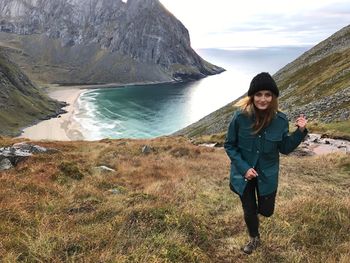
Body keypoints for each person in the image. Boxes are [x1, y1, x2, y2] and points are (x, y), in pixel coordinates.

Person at [224, 72, 308, 254]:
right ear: (252, 96)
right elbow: (230, 145)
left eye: (267, 94)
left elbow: (285, 148)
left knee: (267, 211)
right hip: (243, 175)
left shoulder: (281, 120)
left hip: (267, 175)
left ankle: (257, 215)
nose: (263, 99)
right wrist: (245, 168)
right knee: (249, 209)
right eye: (258, 94)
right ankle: (254, 237)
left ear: (273, 97)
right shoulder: (240, 118)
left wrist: (300, 131)